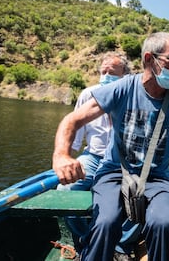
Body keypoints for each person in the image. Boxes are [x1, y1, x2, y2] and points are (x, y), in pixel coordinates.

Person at [52, 32, 169, 260]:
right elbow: (72, 120)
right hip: (113, 172)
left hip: (157, 177)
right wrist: (61, 155)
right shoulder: (123, 88)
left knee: (162, 225)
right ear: (150, 58)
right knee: (106, 222)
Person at [56, 51, 130, 254]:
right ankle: (87, 239)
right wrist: (65, 159)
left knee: (140, 195)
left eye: (112, 72)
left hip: (123, 161)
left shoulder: (133, 95)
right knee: (64, 192)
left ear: (124, 75)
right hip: (93, 157)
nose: (106, 75)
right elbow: (75, 136)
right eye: (103, 71)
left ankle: (119, 245)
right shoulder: (88, 94)